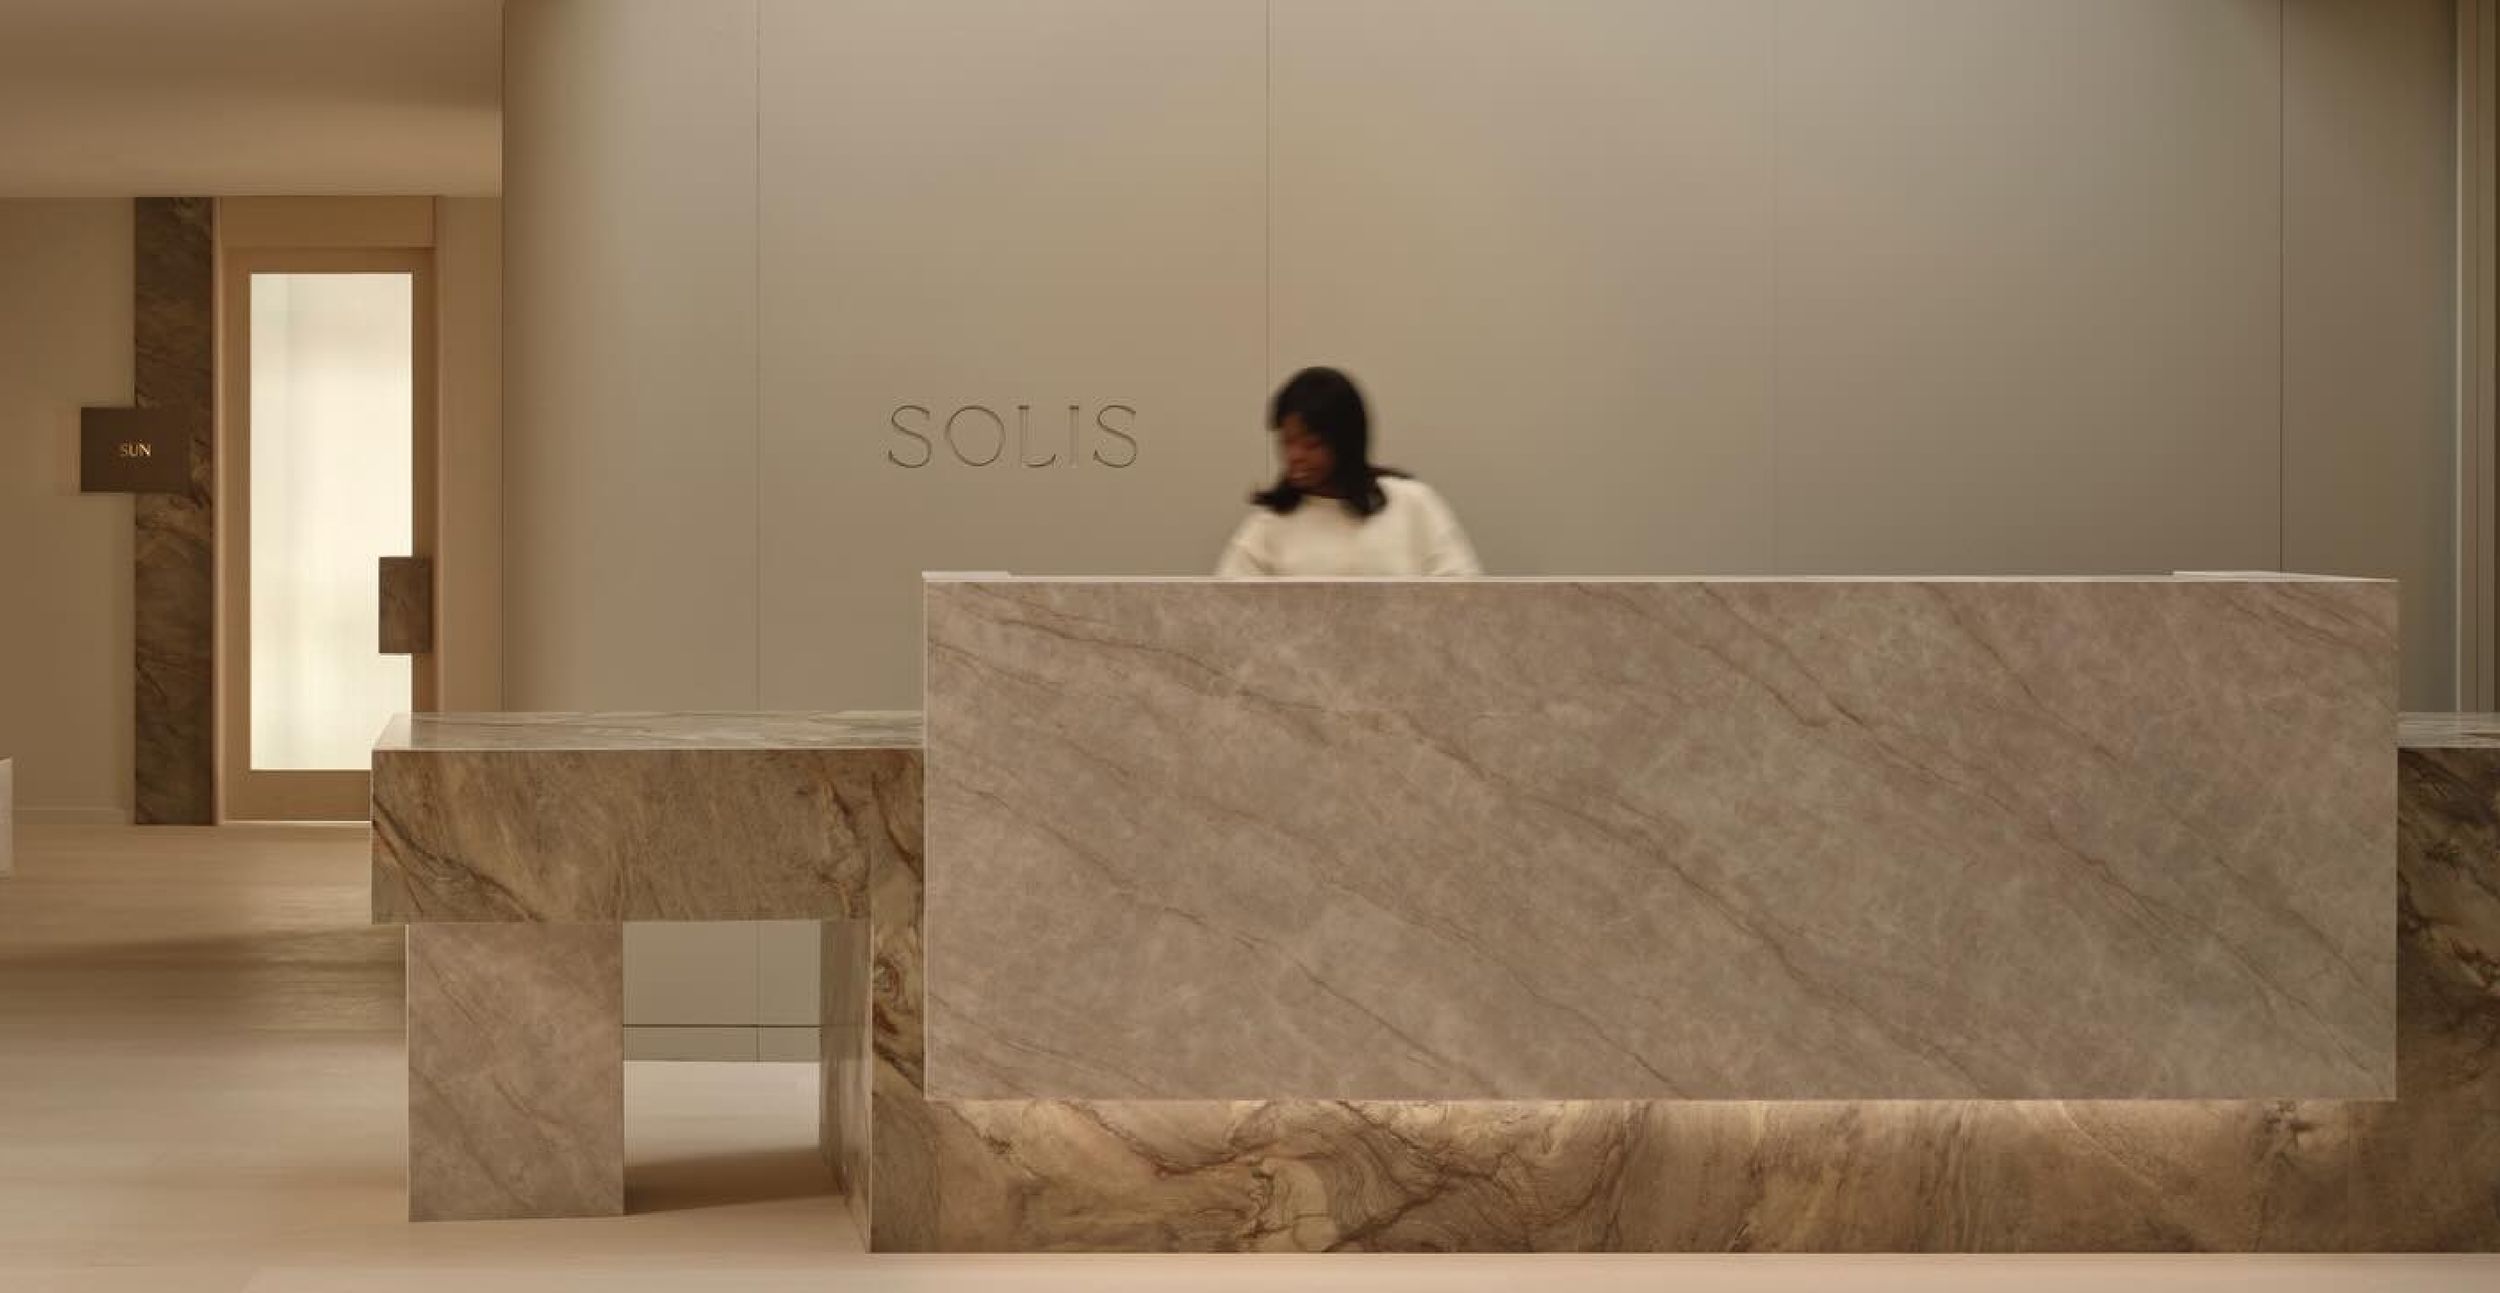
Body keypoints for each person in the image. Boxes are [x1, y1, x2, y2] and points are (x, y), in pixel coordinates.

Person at [1215, 367, 1482, 577]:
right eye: (1287, 442)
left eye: (1311, 444)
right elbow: (1224, 615)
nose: (1295, 456)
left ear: (1346, 441)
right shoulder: (1267, 528)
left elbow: (1465, 598)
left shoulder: (1413, 505)